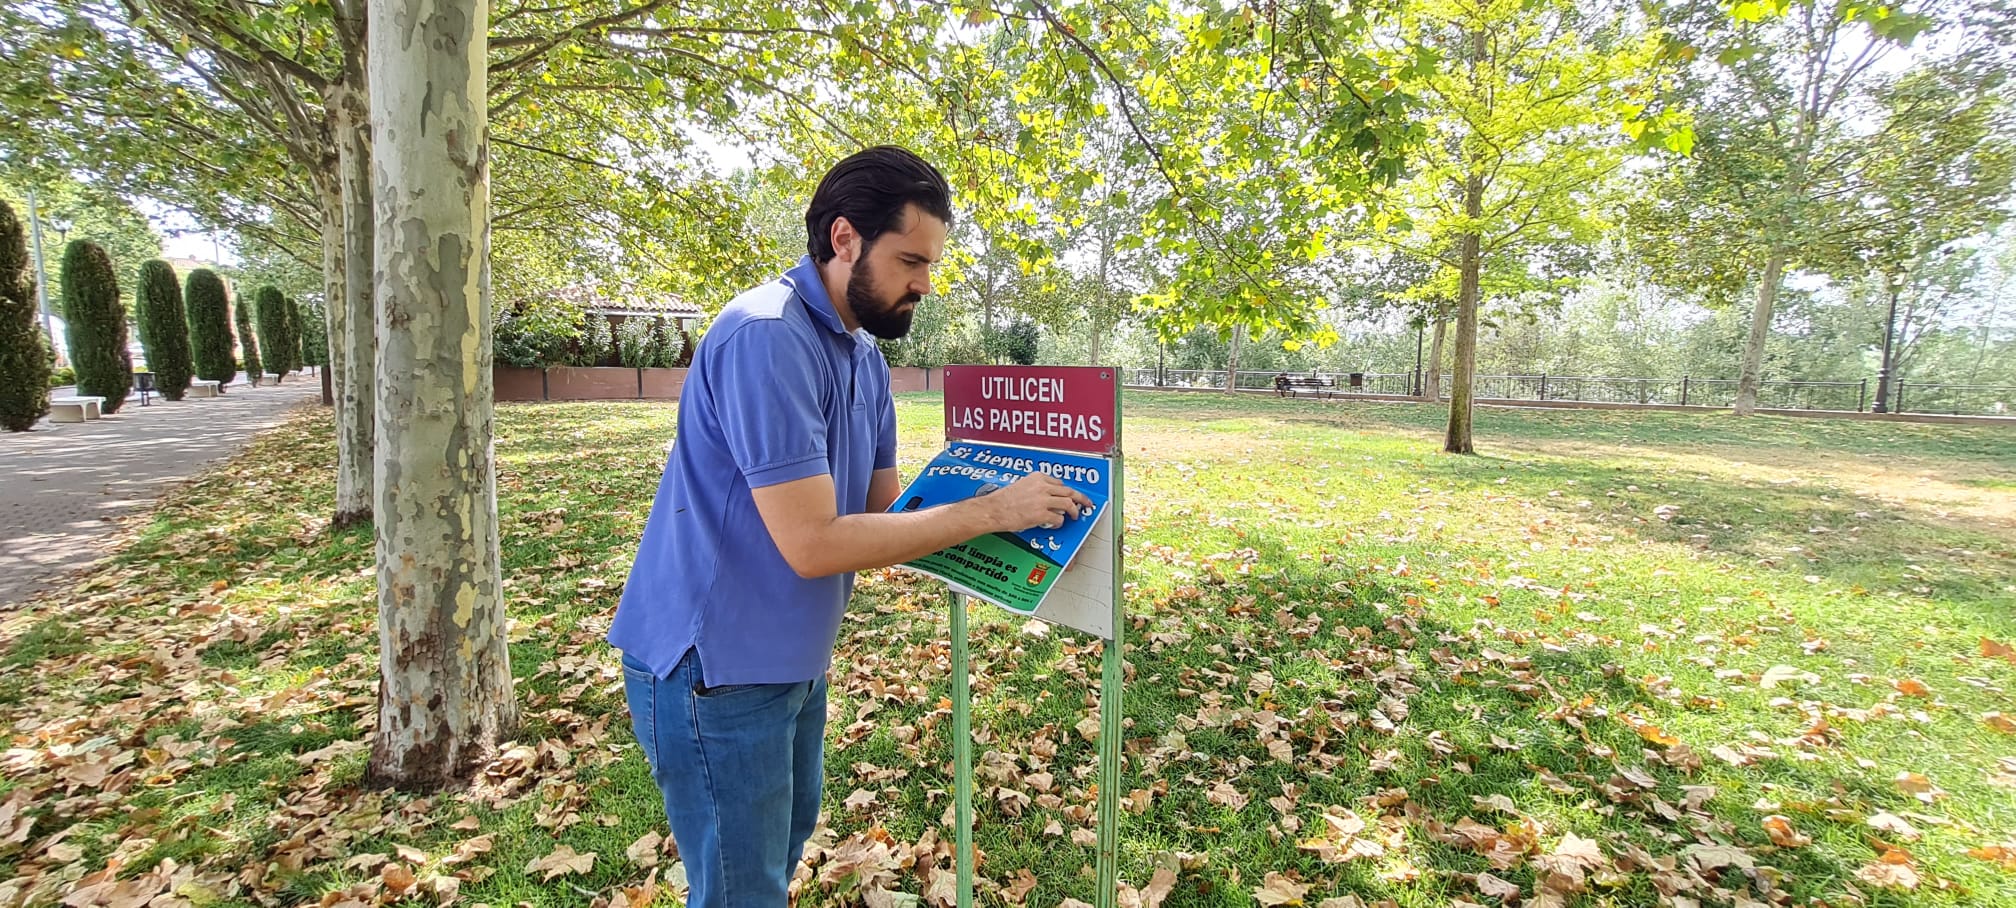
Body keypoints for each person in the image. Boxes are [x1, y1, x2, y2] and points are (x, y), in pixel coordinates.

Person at [608, 145, 1093, 907]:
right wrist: (993, 510)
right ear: (843, 239)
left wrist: (993, 499)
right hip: (714, 669)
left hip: (794, 660)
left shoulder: (865, 356)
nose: (924, 285)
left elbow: (881, 519)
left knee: (777, 855)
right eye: (909, 260)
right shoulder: (764, 335)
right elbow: (814, 545)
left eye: (930, 264)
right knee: (742, 891)